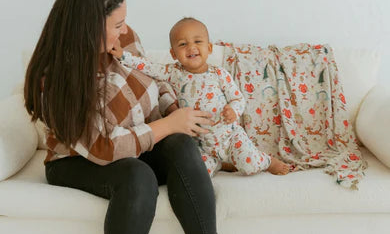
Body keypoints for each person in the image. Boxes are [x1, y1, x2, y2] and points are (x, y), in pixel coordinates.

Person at [24, 0, 240, 234]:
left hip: (137, 139)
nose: (124, 32)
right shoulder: (56, 75)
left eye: (124, 22)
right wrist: (166, 125)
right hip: (79, 160)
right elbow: (104, 148)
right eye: (117, 25)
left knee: (180, 142)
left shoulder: (123, 38)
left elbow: (156, 80)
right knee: (136, 175)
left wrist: (176, 114)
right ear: (89, 26)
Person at [111, 17, 291, 177]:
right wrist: (123, 56)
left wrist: (233, 110)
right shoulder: (173, 72)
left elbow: (238, 99)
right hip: (201, 143)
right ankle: (221, 163)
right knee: (198, 173)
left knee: (250, 166)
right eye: (182, 44)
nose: (191, 47)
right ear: (173, 54)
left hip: (228, 136)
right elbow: (147, 66)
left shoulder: (219, 74)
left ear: (209, 48)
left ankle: (267, 161)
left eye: (197, 41)